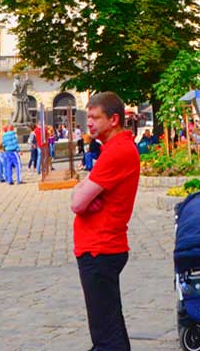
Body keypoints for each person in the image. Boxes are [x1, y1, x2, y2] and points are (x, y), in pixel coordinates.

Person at [70, 91, 141, 351]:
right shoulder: (113, 147)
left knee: (105, 336)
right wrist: (84, 193)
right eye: (87, 116)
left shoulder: (117, 151)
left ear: (113, 119)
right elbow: (81, 196)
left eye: (94, 117)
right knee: (111, 327)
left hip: (100, 248)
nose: (88, 122)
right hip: (101, 246)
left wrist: (84, 195)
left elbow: (77, 203)